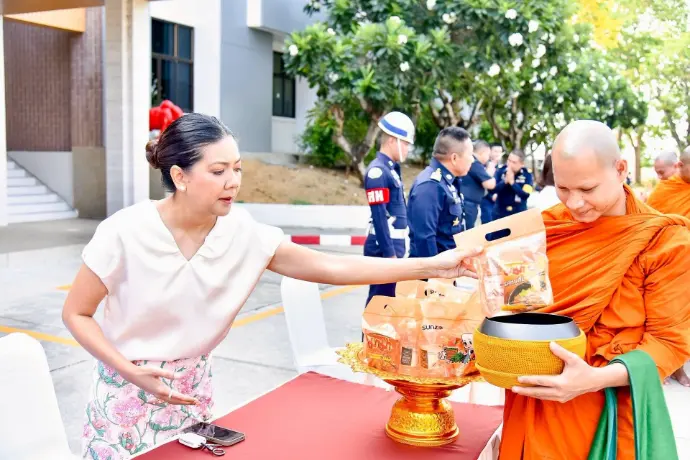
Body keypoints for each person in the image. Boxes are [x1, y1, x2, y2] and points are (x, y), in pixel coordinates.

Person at [61, 113, 480, 460]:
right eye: (218, 171)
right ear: (179, 176)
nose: (233, 181)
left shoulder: (241, 232)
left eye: (237, 168)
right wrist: (129, 370)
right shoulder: (125, 231)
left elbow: (329, 266)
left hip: (191, 396)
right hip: (122, 397)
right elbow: (76, 313)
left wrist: (434, 266)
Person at [499, 120, 690, 459]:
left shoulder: (665, 242)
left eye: (587, 189)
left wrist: (593, 379)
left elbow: (669, 343)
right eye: (563, 188)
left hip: (608, 407)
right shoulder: (548, 228)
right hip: (537, 398)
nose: (575, 203)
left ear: (621, 169)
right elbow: (518, 304)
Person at [645, 146, 690, 387]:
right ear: (680, 166)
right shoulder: (664, 191)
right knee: (670, 315)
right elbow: (649, 223)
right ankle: (673, 366)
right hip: (668, 263)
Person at [362, 111, 416, 308]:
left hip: (393, 248)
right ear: (393, 140)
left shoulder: (391, 170)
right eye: (406, 144)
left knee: (389, 304)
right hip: (383, 250)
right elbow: (379, 217)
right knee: (379, 303)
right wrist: (389, 254)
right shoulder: (378, 172)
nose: (408, 149)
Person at [407, 126, 474, 258]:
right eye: (470, 155)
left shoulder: (449, 182)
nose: (472, 160)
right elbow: (425, 239)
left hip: (450, 265)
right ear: (454, 158)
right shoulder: (430, 186)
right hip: (436, 268)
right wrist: (436, 271)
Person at [460, 140, 496, 229]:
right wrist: (491, 171)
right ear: (482, 153)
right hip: (468, 205)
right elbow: (489, 184)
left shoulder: (471, 162)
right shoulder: (475, 163)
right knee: (467, 231)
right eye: (488, 155)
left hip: (467, 203)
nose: (488, 158)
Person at [492, 149, 534, 220]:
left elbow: (525, 195)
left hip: (518, 213)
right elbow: (493, 189)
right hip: (500, 212)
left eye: (514, 162)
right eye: (509, 160)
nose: (510, 164)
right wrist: (504, 181)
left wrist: (512, 183)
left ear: (522, 164)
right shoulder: (500, 170)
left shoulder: (527, 174)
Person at [479, 143, 503, 224]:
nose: (498, 154)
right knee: (488, 223)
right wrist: (491, 195)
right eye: (495, 151)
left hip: (499, 201)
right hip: (487, 200)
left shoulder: (502, 168)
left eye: (500, 152)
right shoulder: (483, 166)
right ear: (490, 152)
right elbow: (482, 184)